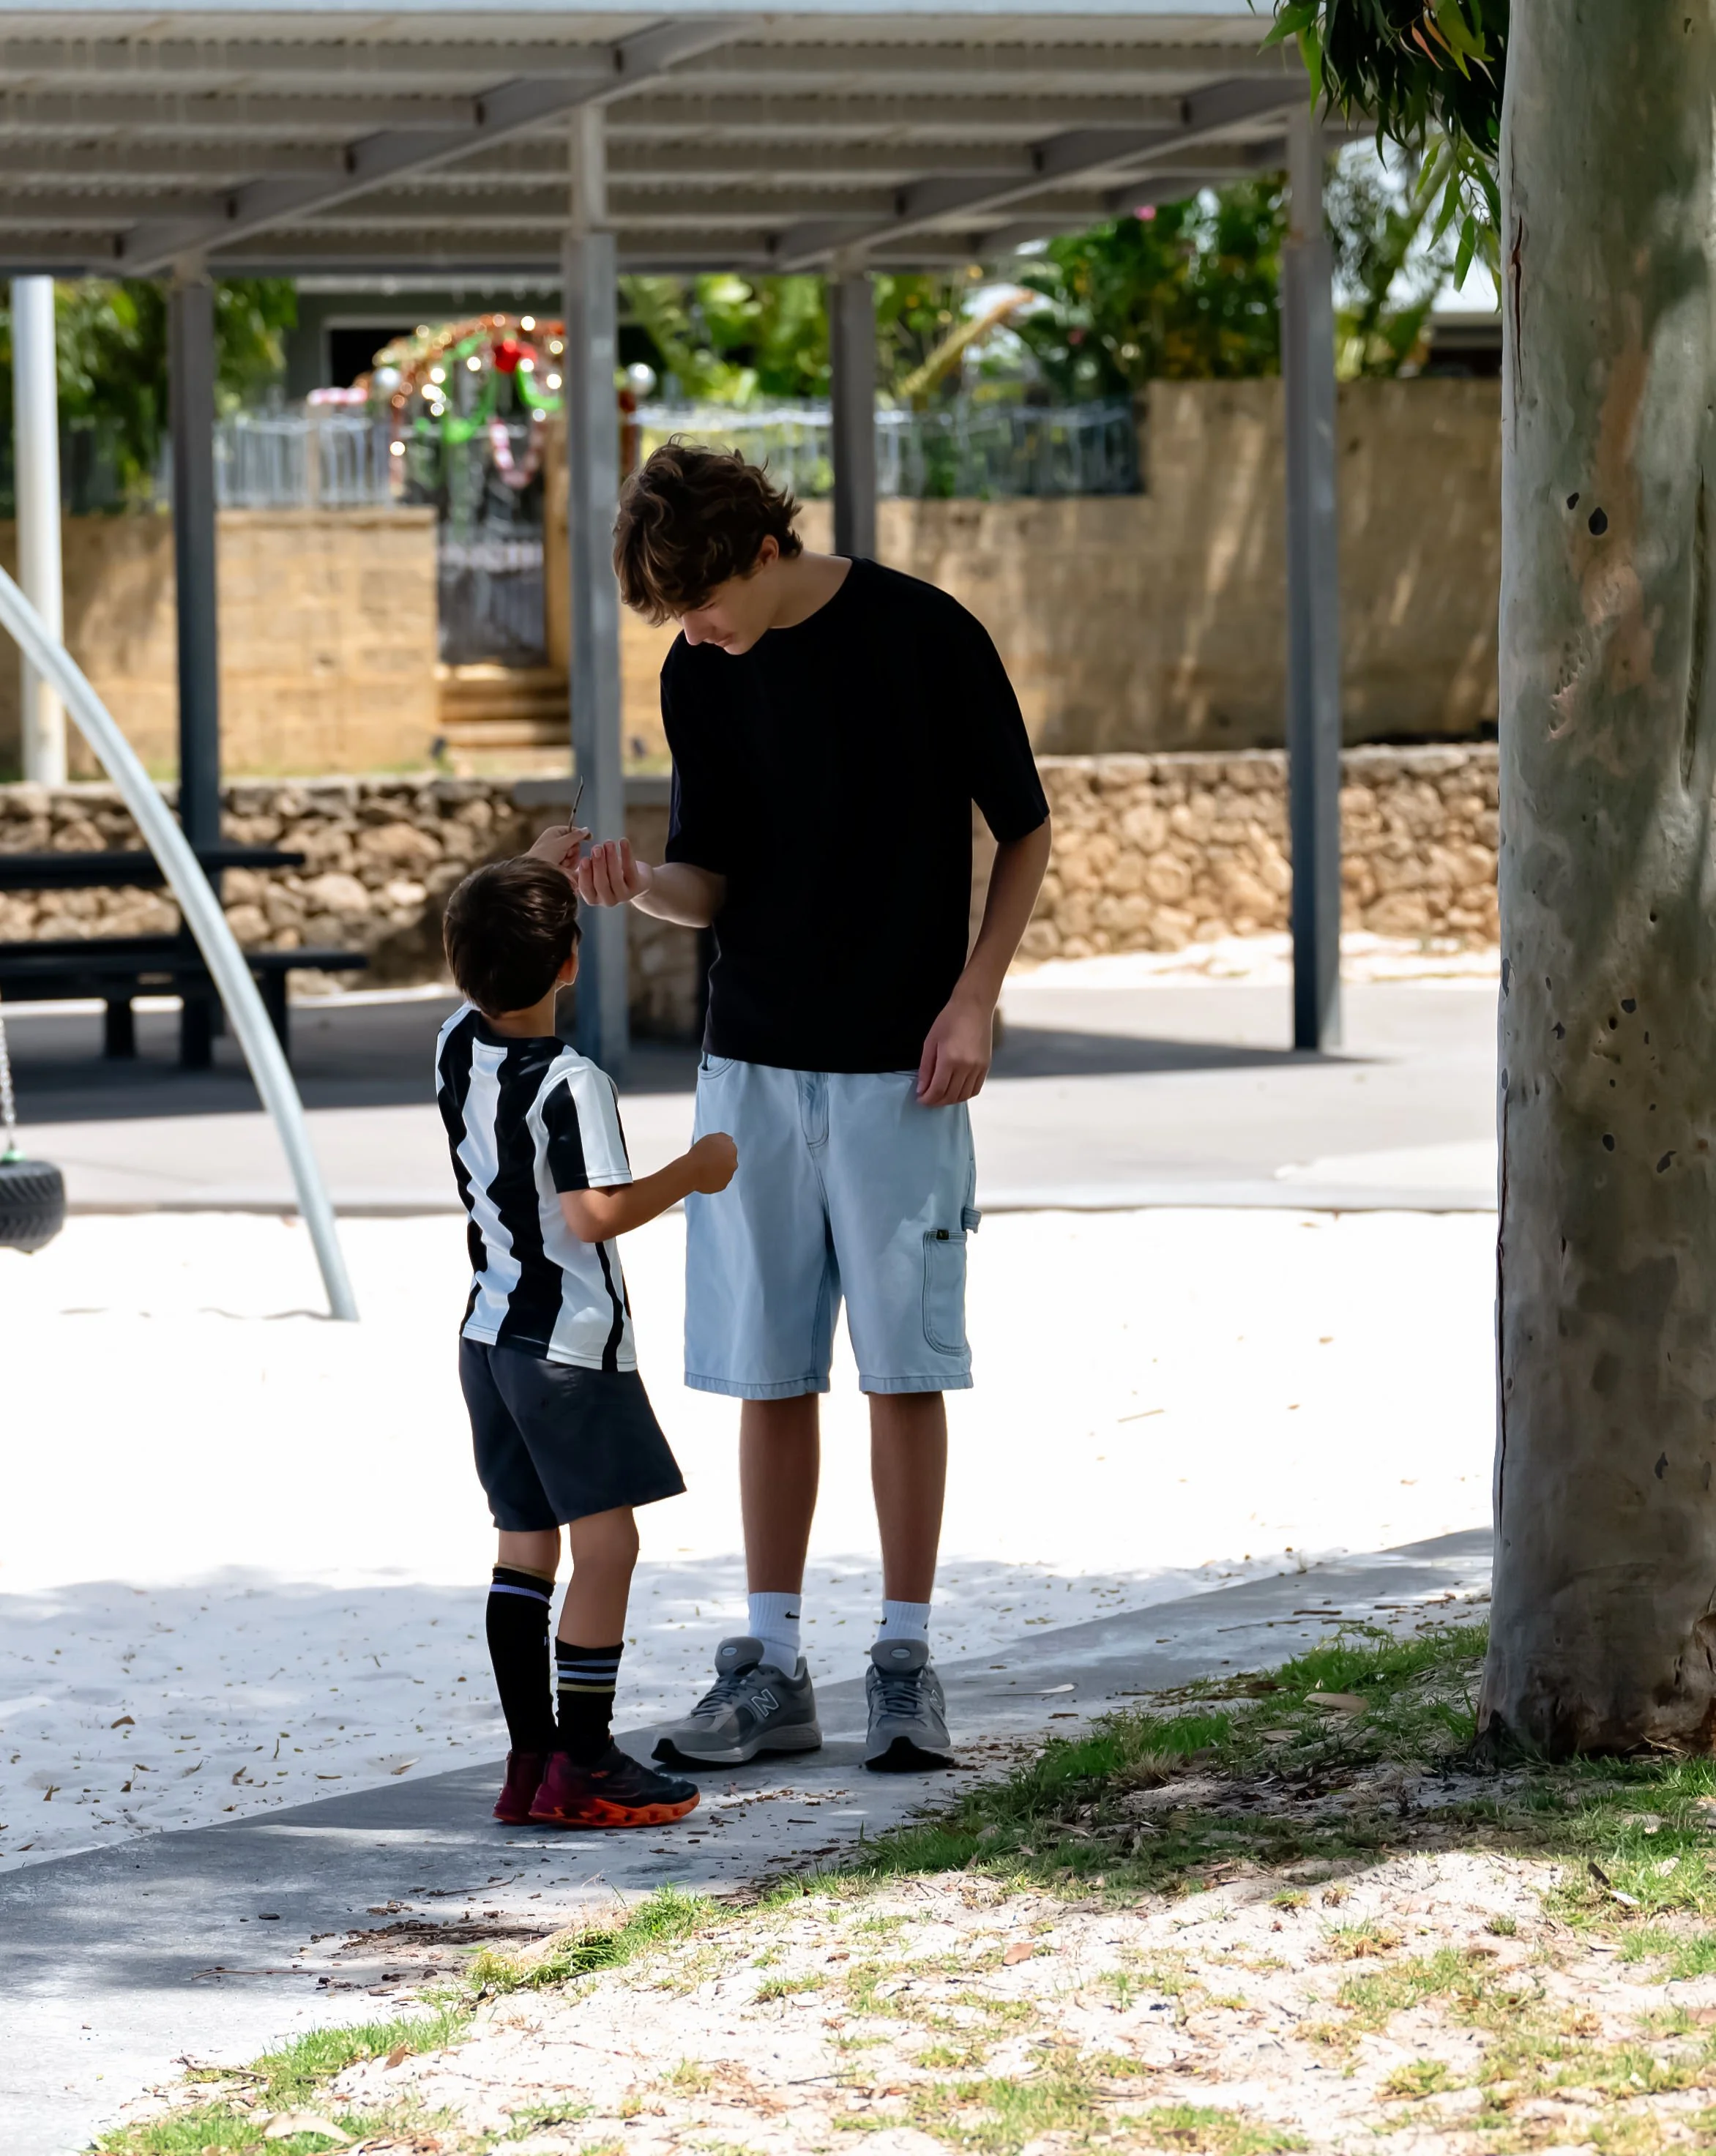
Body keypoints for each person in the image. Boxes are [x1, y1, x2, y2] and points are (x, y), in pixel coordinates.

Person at [538, 441, 1052, 1775]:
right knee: (769, 1371)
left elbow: (1027, 826)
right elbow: (711, 880)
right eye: (672, 618)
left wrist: (974, 998)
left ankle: (904, 1659)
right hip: (750, 1066)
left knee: (903, 1367)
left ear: (764, 550)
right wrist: (636, 882)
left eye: (703, 603)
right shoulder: (699, 671)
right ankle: (772, 1664)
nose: (693, 635)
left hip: (905, 1065)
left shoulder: (925, 632)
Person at [435, 853, 738, 1828]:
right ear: (572, 965)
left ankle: (529, 1763)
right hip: (568, 1348)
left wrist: (526, 884)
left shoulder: (453, 1045)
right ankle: (589, 1760)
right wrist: (694, 1170)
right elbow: (596, 1214)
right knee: (608, 1549)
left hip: (489, 1335)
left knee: (525, 1549)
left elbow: (496, 947)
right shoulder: (572, 1084)